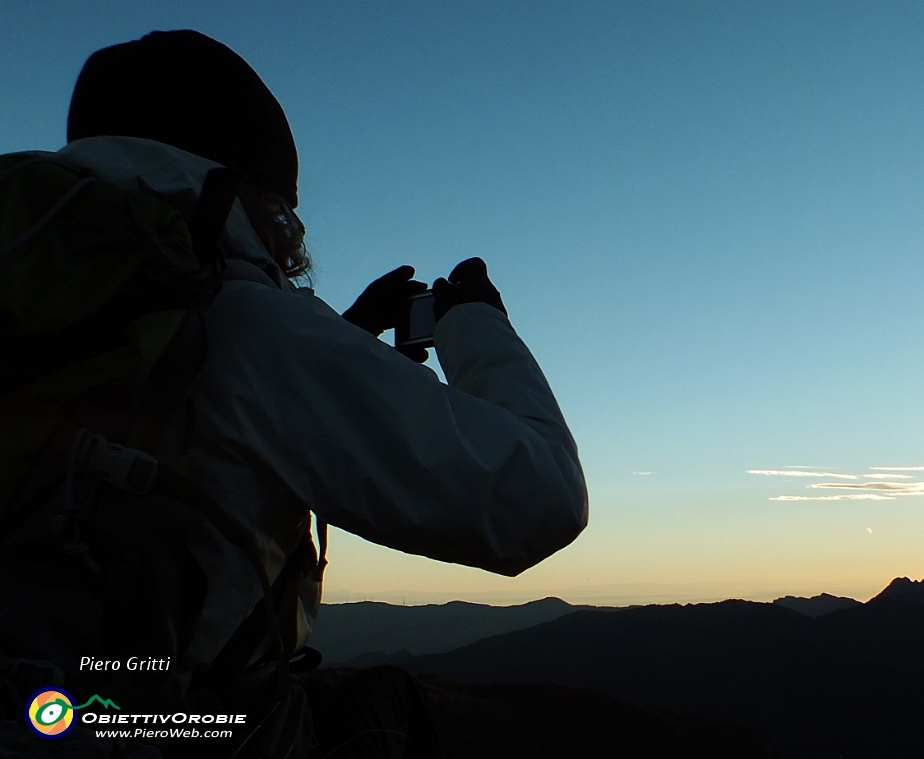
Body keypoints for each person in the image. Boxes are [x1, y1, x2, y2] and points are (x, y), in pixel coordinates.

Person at [0, 30, 587, 758]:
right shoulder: (239, 322)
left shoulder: (41, 306)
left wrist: (343, 337)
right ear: (246, 188)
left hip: (39, 710)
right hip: (158, 726)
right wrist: (477, 326)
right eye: (287, 216)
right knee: (402, 709)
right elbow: (537, 498)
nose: (290, 242)